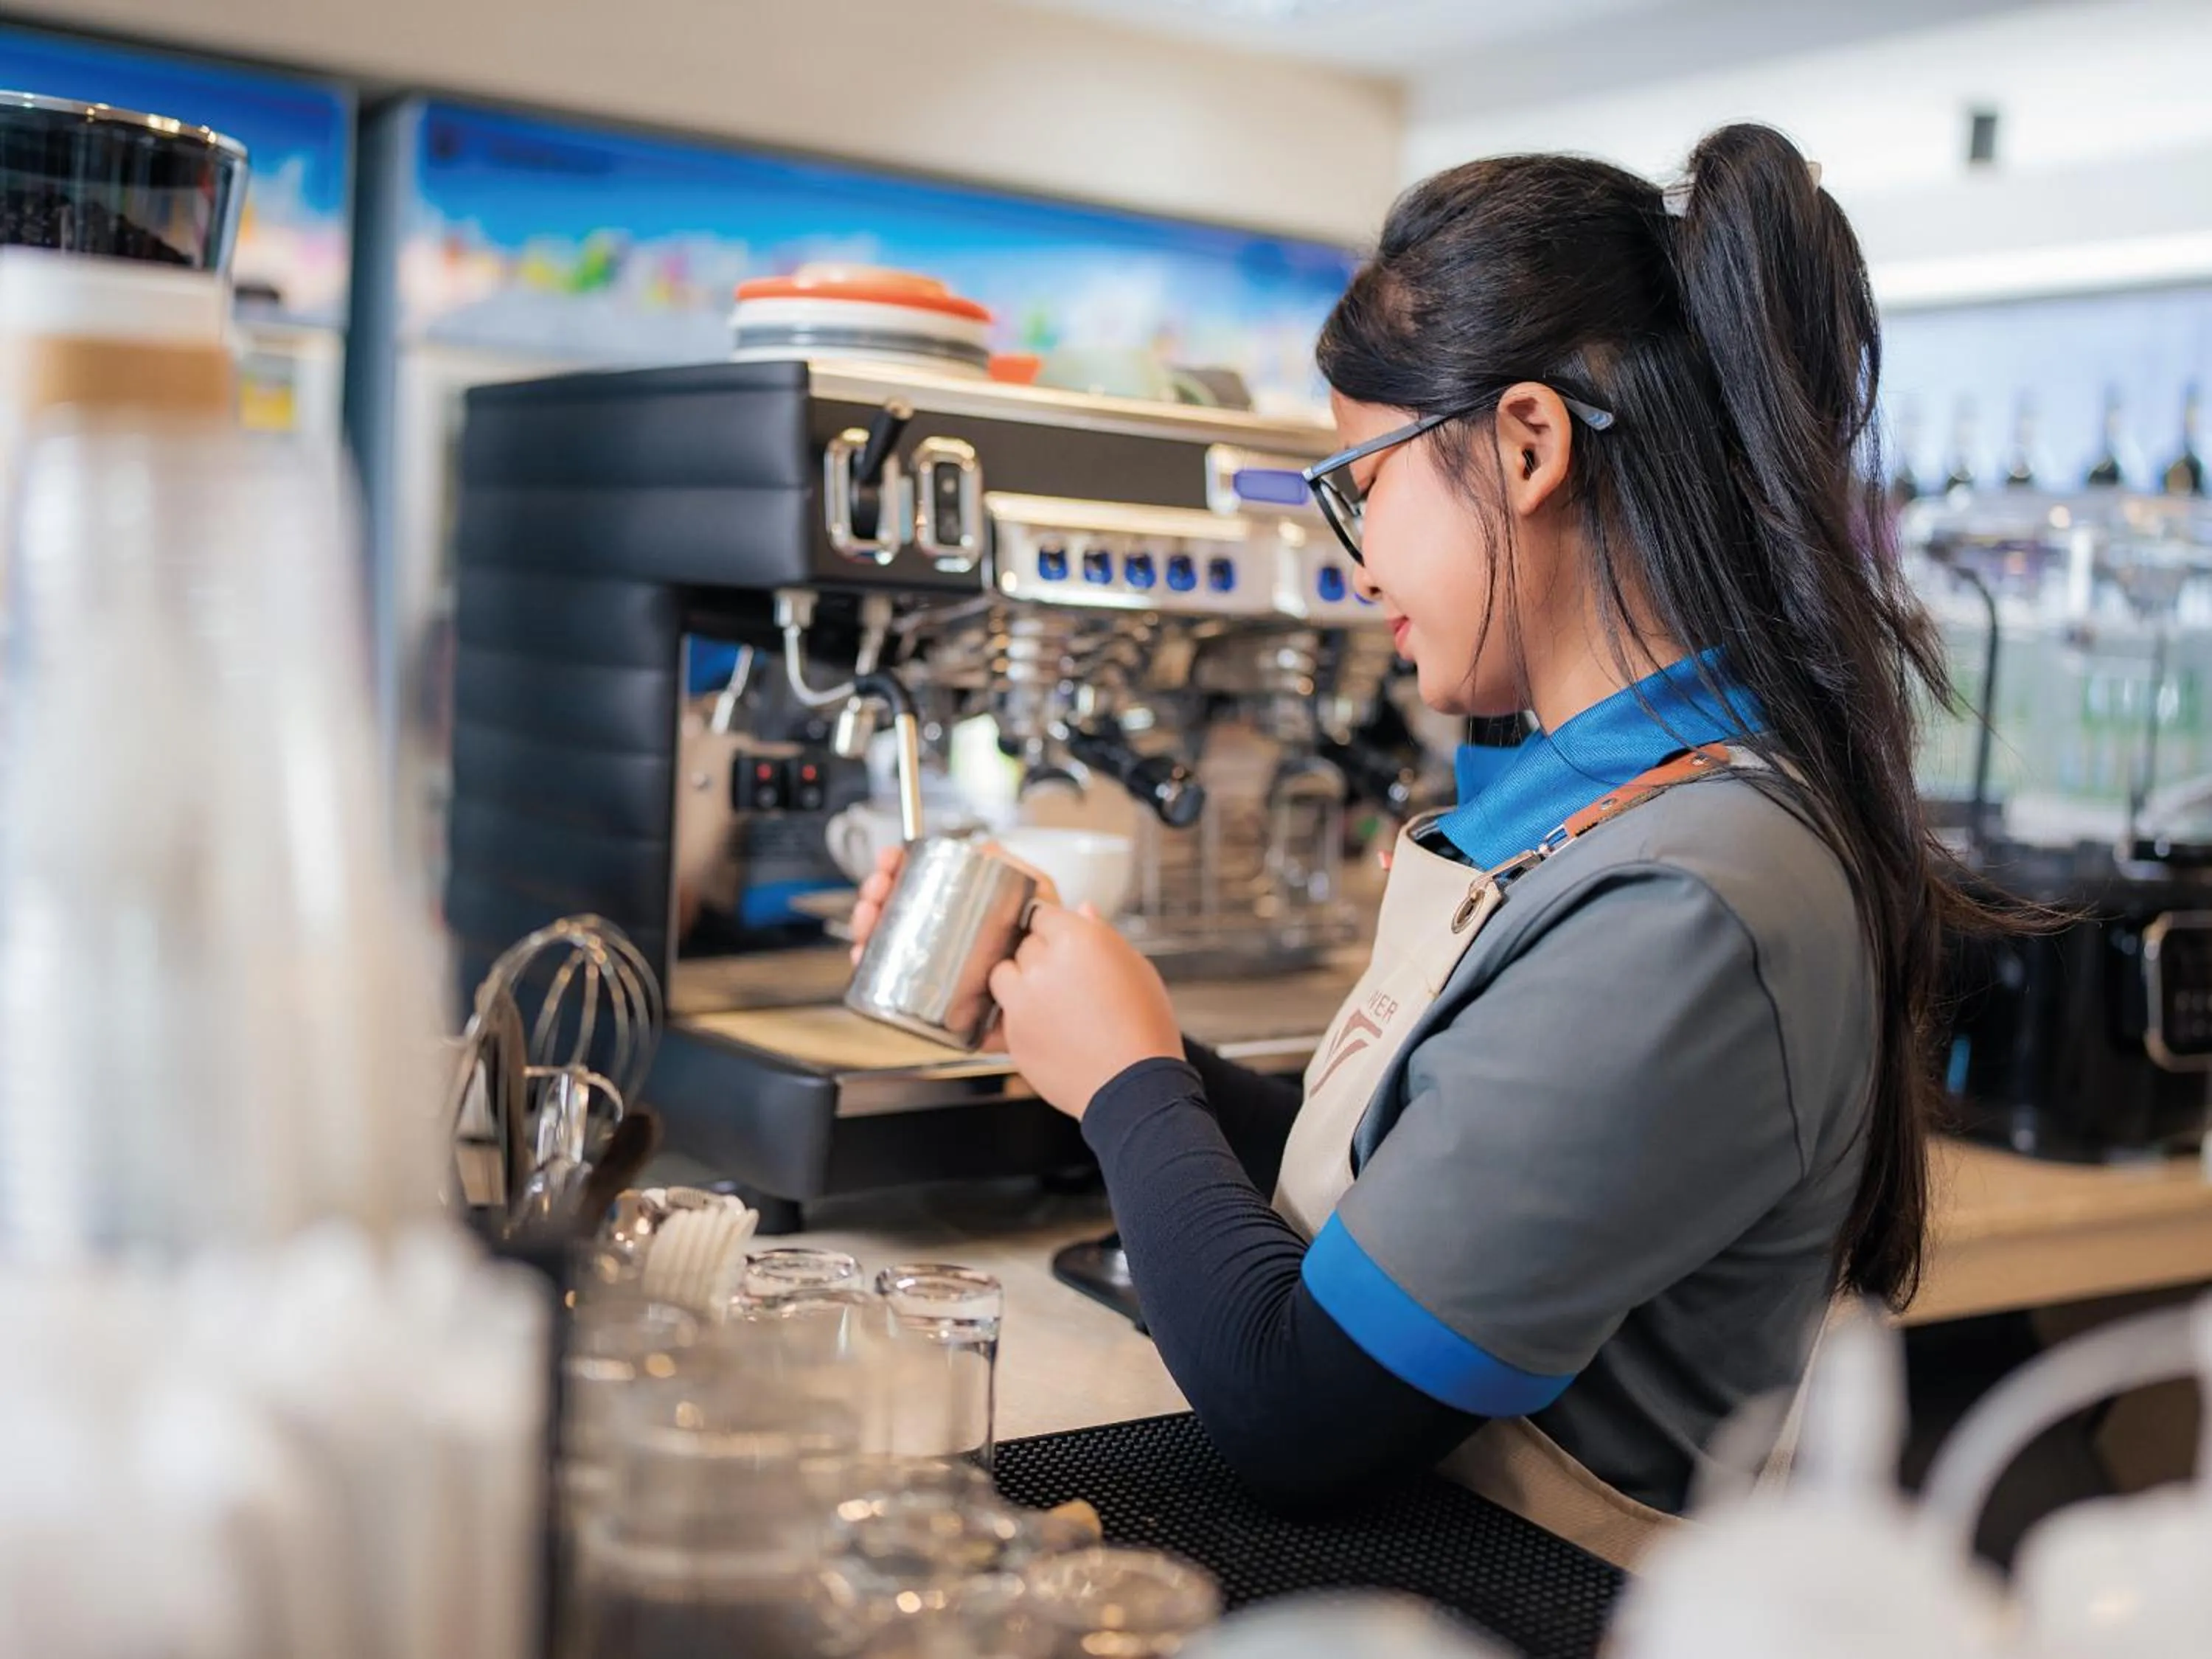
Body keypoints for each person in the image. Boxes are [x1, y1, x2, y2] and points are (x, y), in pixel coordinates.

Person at [852, 124, 1972, 1566]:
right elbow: (1415, 1201)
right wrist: (1093, 1029)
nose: (1357, 561)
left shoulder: (1691, 901)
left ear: (1525, 444)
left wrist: (1132, 1087)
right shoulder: (1617, 817)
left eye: (1362, 483)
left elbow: (1297, 1410)